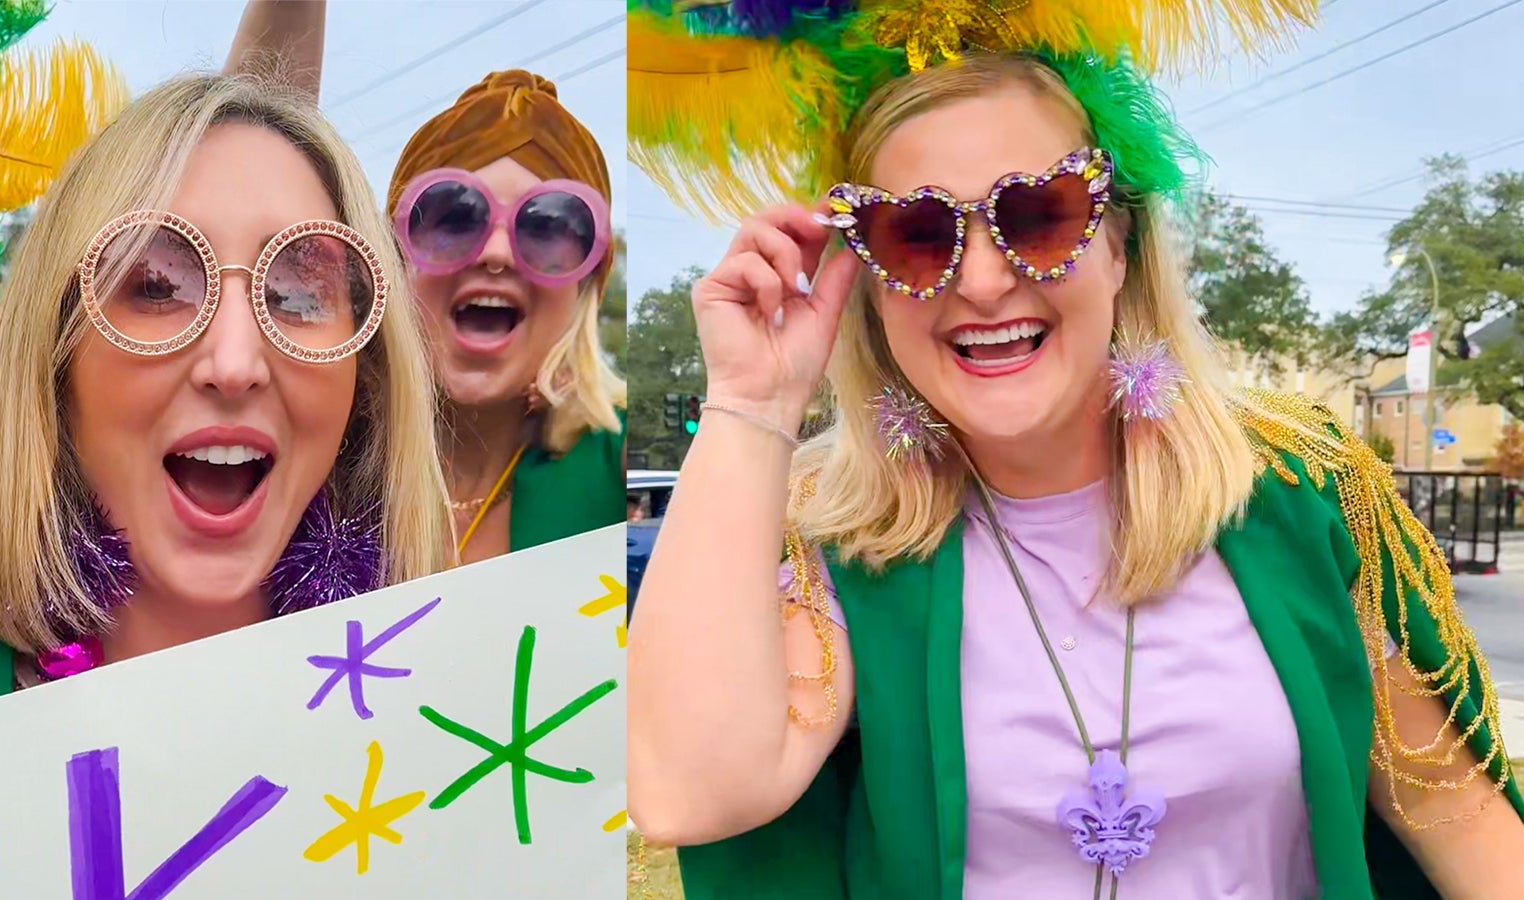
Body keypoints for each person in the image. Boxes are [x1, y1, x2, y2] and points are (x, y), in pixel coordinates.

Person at [623, 5, 1524, 898]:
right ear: (868, 278)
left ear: (1121, 247)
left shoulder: (1295, 487)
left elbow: (1451, 806)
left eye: (1039, 216)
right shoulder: (842, 542)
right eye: (918, 235)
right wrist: (751, 405)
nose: (982, 281)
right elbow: (686, 794)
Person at [0, 71, 452, 765]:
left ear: (366, 378)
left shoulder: (464, 702)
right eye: (158, 286)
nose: (235, 363)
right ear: (56, 360)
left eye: (297, 294)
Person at [387, 70, 625, 563]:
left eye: (546, 227)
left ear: (584, 288)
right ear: (393, 261)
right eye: (455, 217)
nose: (496, 253)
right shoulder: (324, 459)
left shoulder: (616, 461)